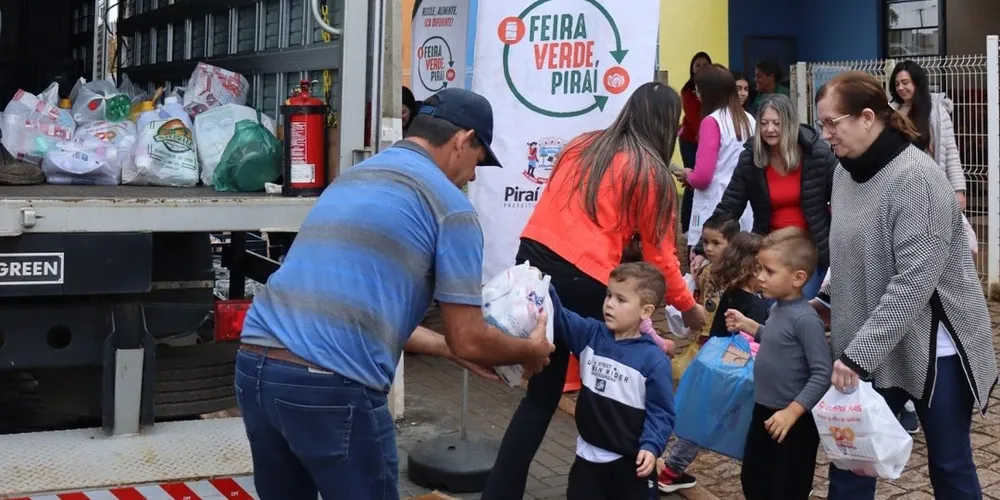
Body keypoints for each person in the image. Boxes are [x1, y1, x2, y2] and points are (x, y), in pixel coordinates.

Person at [235, 88, 555, 500]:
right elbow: (470, 337)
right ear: (463, 139)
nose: (473, 176)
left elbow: (361, 312)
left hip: (255, 370)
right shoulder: (450, 207)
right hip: (330, 387)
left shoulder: (355, 178)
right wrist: (530, 352)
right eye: (478, 160)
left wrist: (449, 350)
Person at [481, 82, 707, 500]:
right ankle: (610, 483)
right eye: (676, 125)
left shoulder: (583, 144)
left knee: (540, 396)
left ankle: (500, 493)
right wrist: (689, 308)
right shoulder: (651, 173)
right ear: (662, 124)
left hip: (532, 263)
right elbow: (662, 260)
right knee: (611, 386)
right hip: (585, 279)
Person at [815, 71, 997, 500]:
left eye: (830, 123)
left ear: (865, 117)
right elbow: (845, 253)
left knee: (949, 464)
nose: (825, 136)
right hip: (873, 343)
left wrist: (857, 355)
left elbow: (914, 282)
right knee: (852, 464)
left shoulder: (916, 178)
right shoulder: (845, 173)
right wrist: (823, 303)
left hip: (934, 350)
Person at [724, 227, 832, 500]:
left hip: (793, 422)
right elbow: (776, 339)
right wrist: (749, 326)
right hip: (763, 411)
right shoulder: (777, 308)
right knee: (753, 479)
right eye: (760, 269)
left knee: (786, 488)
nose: (760, 277)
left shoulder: (806, 319)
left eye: (769, 272)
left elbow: (822, 373)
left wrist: (793, 412)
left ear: (798, 278)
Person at [657, 231, 768, 494]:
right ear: (752, 267)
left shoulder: (730, 291)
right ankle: (671, 471)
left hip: (713, 363)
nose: (767, 276)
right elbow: (750, 346)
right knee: (707, 422)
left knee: (698, 418)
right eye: (765, 268)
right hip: (730, 375)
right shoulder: (754, 306)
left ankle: (670, 468)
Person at [552, 262, 674, 500]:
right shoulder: (591, 335)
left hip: (630, 465)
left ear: (646, 311)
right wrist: (543, 286)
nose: (609, 303)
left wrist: (651, 446)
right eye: (609, 295)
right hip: (586, 459)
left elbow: (661, 413)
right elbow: (561, 316)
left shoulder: (654, 361)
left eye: (621, 299)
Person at [702, 94, 837, 299]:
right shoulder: (750, 158)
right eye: (764, 123)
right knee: (768, 309)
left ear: (790, 124)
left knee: (801, 303)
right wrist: (702, 246)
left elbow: (839, 197)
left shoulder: (816, 154)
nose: (770, 129)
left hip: (808, 251)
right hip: (768, 249)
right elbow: (731, 204)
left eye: (776, 123)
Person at [684, 65, 755, 250]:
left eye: (698, 90)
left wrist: (687, 175)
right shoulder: (750, 120)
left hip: (715, 206)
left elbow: (702, 178)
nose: (697, 95)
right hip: (745, 206)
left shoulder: (712, 121)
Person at [890, 60, 967, 210]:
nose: (900, 87)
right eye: (897, 84)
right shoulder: (892, 112)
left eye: (905, 82)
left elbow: (950, 152)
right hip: (899, 187)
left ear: (917, 83)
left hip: (930, 186)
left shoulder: (936, 110)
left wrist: (958, 190)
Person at [678, 52, 713, 235]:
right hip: (691, 141)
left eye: (705, 64)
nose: (701, 67)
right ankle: (687, 226)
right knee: (692, 181)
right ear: (692, 69)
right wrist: (709, 139)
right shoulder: (688, 91)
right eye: (697, 64)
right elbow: (694, 118)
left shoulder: (713, 90)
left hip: (707, 139)